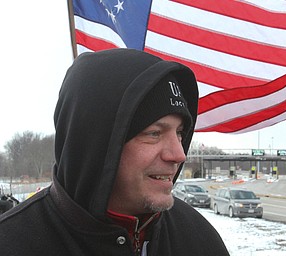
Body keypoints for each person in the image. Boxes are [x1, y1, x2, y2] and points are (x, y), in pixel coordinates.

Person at [0, 49, 229, 255]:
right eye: (154, 133)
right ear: (97, 143)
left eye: (180, 133)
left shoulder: (197, 239)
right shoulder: (12, 242)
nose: (179, 155)